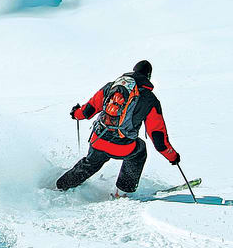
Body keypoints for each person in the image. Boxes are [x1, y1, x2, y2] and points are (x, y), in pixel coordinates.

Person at [56, 60, 179, 196]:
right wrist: (172, 156)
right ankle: (122, 192)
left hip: (98, 140)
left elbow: (88, 110)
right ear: (148, 76)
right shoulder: (150, 100)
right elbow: (158, 138)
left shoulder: (112, 87)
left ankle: (61, 186)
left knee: (90, 163)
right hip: (123, 147)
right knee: (140, 150)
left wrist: (76, 113)